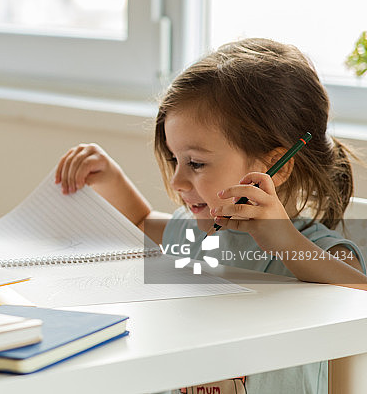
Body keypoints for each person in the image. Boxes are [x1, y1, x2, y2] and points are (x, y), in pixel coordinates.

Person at [55, 38, 367, 393]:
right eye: (174, 159)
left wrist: (284, 240)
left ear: (276, 167)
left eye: (196, 163)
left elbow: (360, 295)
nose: (177, 181)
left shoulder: (319, 252)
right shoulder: (196, 235)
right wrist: (111, 178)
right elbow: (142, 222)